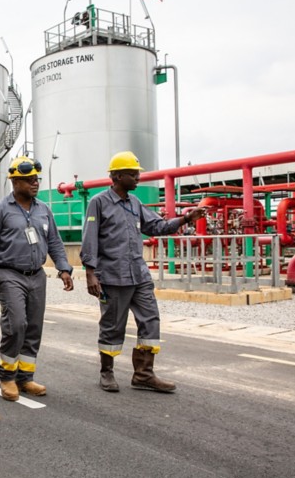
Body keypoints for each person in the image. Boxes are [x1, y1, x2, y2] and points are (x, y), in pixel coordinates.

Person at [80, 151, 206, 393]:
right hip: (113, 276)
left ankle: (144, 374)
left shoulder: (134, 203)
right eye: (133, 174)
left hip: (139, 275)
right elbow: (90, 238)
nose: (138, 178)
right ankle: (107, 372)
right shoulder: (99, 202)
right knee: (112, 325)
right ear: (116, 176)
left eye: (138, 173)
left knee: (150, 321)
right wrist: (90, 272)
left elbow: (156, 226)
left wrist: (185, 218)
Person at [0, 157, 74, 401]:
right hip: (9, 274)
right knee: (16, 324)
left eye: (37, 179)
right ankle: (7, 376)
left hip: (37, 275)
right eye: (29, 179)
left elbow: (54, 241)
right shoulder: (0, 210)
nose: (35, 183)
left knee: (34, 327)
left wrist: (64, 268)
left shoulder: (44, 209)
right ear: (15, 181)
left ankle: (26, 378)